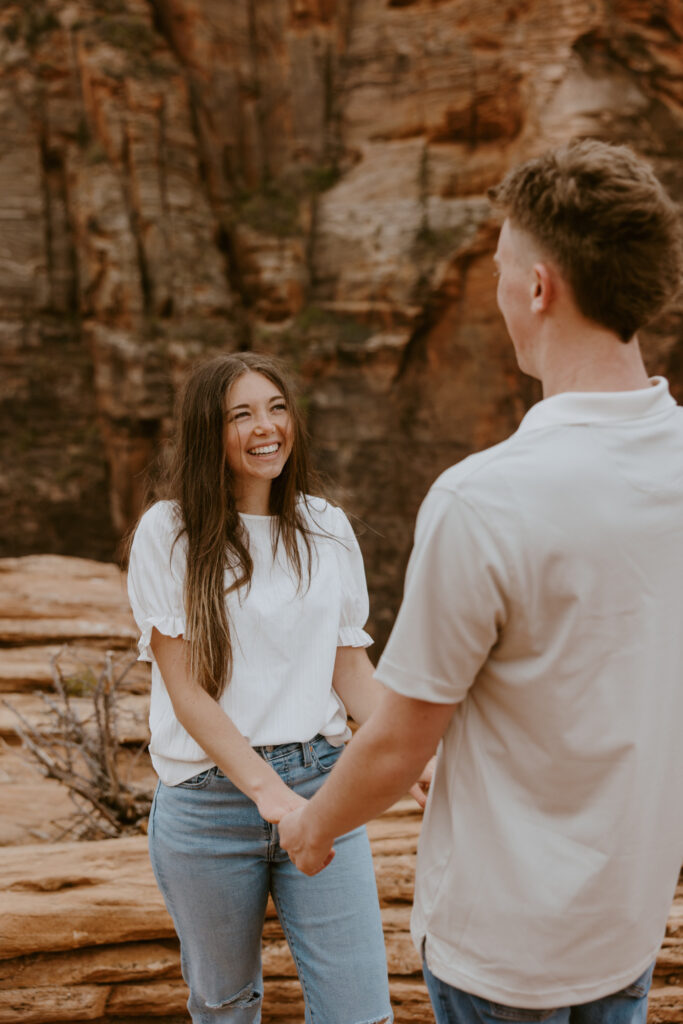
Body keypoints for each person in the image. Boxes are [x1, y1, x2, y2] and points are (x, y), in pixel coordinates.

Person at [279, 138, 683, 1024]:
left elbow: (396, 745)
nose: (498, 290)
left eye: (502, 267)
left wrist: (310, 830)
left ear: (537, 287)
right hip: (627, 926)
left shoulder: (483, 498)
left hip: (500, 951)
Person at [127, 351, 404, 1024]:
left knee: (358, 1009)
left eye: (276, 408)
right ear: (207, 432)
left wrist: (405, 749)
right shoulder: (168, 533)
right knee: (225, 1006)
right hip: (206, 805)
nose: (266, 428)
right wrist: (269, 795)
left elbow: (347, 666)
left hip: (322, 784)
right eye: (240, 415)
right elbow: (188, 693)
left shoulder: (325, 527)